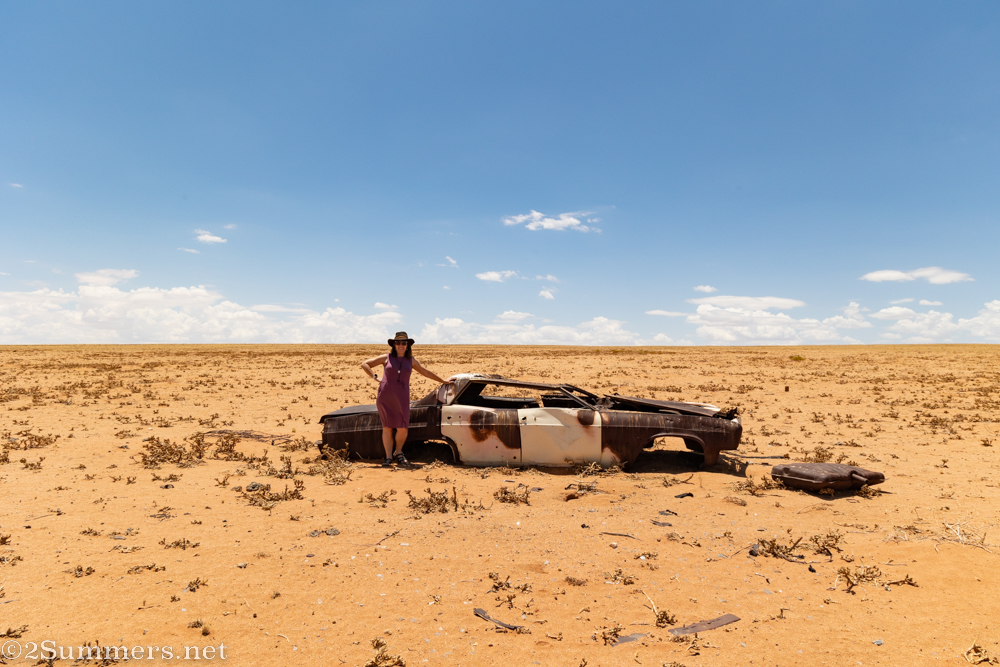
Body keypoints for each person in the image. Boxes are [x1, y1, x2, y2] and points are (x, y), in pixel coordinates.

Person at [360, 332, 453, 467]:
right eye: (398, 343)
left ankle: (399, 452)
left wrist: (443, 380)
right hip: (385, 396)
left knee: (402, 427)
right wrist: (375, 376)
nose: (401, 345)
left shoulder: (411, 360)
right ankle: (388, 457)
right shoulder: (386, 358)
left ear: (408, 345)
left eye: (404, 343)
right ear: (394, 344)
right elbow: (365, 364)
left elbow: (425, 372)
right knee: (387, 427)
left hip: (402, 396)